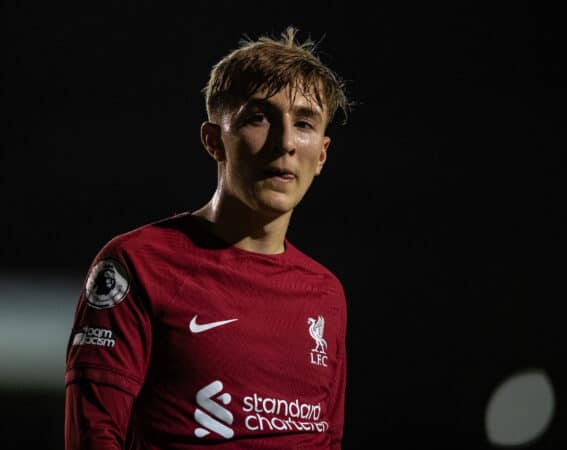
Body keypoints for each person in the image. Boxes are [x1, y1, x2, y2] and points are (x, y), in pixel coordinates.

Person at [65, 25, 350, 450]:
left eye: (304, 123)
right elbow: (94, 435)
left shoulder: (327, 295)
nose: (286, 142)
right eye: (259, 118)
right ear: (214, 141)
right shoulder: (137, 264)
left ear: (322, 154)